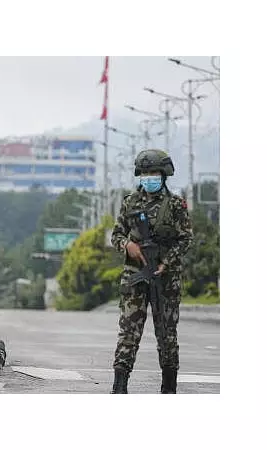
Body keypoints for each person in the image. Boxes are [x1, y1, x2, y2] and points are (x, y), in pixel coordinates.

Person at [109, 149, 193, 394]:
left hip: (165, 279)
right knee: (129, 331)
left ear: (163, 175)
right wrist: (128, 245)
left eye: (153, 173)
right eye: (145, 173)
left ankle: (169, 387)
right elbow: (117, 235)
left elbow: (185, 239)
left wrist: (166, 262)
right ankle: (119, 385)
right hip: (135, 277)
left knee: (166, 333)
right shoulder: (130, 203)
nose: (149, 178)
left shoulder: (175, 205)